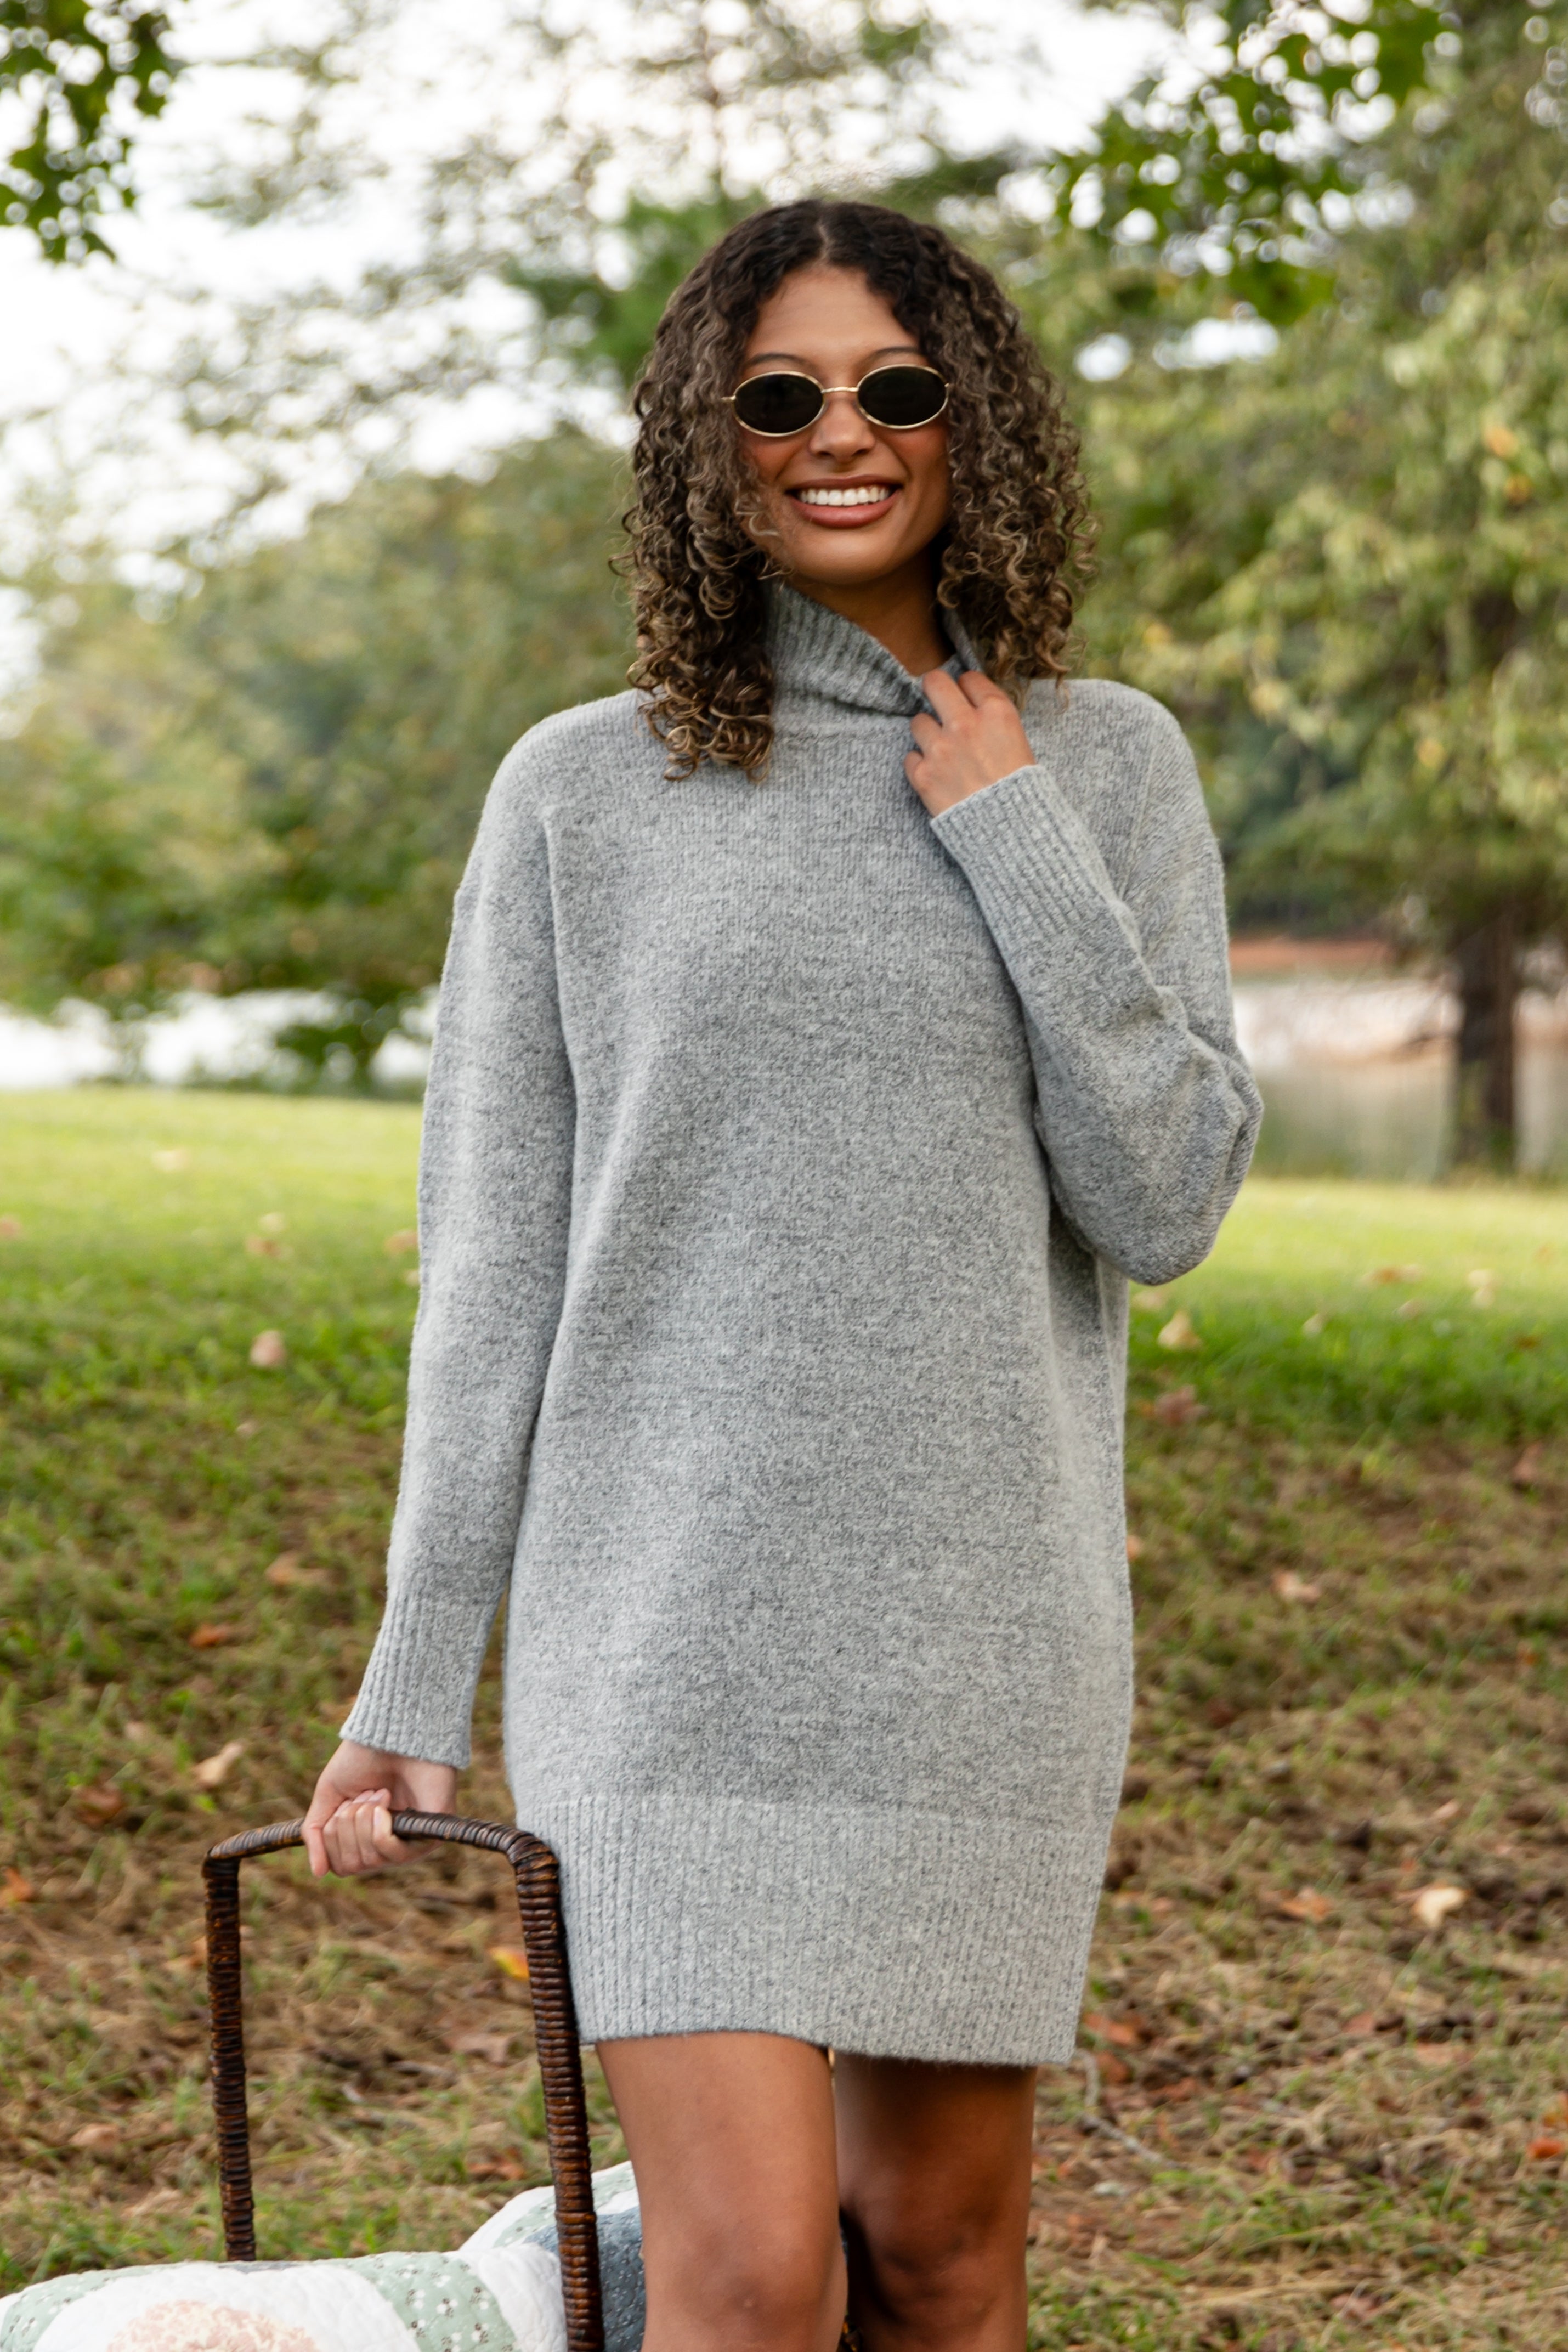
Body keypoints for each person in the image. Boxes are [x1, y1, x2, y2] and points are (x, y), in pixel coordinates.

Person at [302, 199, 1261, 2352]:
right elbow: (494, 1265)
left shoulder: (1106, 770)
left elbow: (1170, 1193)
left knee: (940, 2263)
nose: (842, 433)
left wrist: (1009, 830)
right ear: (703, 440)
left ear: (971, 426)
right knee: (743, 2276)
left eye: (895, 388)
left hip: (979, 1647)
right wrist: (411, 1673)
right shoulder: (578, 796)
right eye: (781, 393)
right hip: (664, 1651)